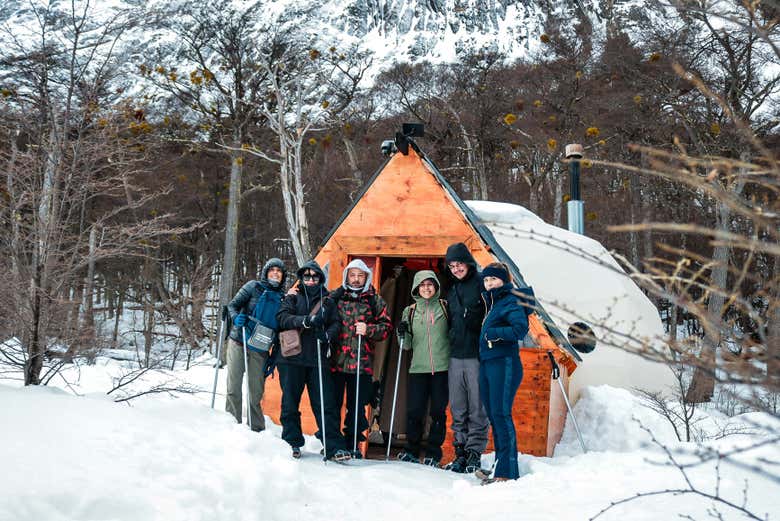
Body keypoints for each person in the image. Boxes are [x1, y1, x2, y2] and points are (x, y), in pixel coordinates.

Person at [275, 261, 351, 461]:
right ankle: (291, 442)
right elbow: (282, 318)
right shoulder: (292, 296)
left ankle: (334, 447)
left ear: (320, 278)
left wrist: (327, 335)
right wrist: (304, 321)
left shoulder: (327, 301)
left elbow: (336, 323)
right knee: (290, 403)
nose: (310, 280)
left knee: (325, 404)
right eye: (306, 276)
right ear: (301, 277)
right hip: (291, 357)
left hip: (317, 358)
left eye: (314, 276)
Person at [330, 259, 392, 457]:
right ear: (347, 276)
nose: (356, 279)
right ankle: (333, 443)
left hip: (361, 363)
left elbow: (386, 328)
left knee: (356, 407)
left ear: (366, 277)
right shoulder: (336, 297)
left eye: (360, 275)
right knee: (333, 405)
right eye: (352, 275)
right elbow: (322, 316)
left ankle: (352, 444)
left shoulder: (374, 300)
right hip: (336, 362)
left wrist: (368, 329)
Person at [478, 262, 528, 484]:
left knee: (501, 414)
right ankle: (499, 465)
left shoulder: (511, 300)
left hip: (504, 362)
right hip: (488, 362)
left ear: (504, 281)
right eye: (486, 280)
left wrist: (493, 333)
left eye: (494, 279)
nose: (489, 283)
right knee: (494, 415)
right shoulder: (493, 302)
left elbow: (520, 329)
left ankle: (507, 472)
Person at [396, 270, 450, 467]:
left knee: (438, 412)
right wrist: (401, 333)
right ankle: (411, 449)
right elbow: (406, 345)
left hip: (442, 368)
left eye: (430, 284)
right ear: (416, 288)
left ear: (436, 286)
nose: (426, 288)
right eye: (422, 285)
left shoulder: (445, 307)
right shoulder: (409, 311)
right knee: (415, 411)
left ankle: (433, 453)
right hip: (418, 369)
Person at [444, 242, 490, 473]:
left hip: (476, 356)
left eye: (459, 264)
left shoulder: (482, 283)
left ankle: (474, 453)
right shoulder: (452, 289)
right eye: (452, 266)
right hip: (455, 356)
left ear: (468, 262)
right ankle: (460, 453)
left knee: (477, 408)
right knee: (458, 408)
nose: (456, 269)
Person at [225, 258, 286, 432]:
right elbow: (232, 306)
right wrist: (236, 318)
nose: (275, 273)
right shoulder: (253, 287)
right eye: (272, 270)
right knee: (234, 386)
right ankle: (231, 425)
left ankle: (257, 429)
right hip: (239, 341)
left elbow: (280, 330)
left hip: (261, 348)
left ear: (283, 276)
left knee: (256, 392)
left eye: (279, 271)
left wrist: (273, 358)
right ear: (266, 272)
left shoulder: (284, 299)